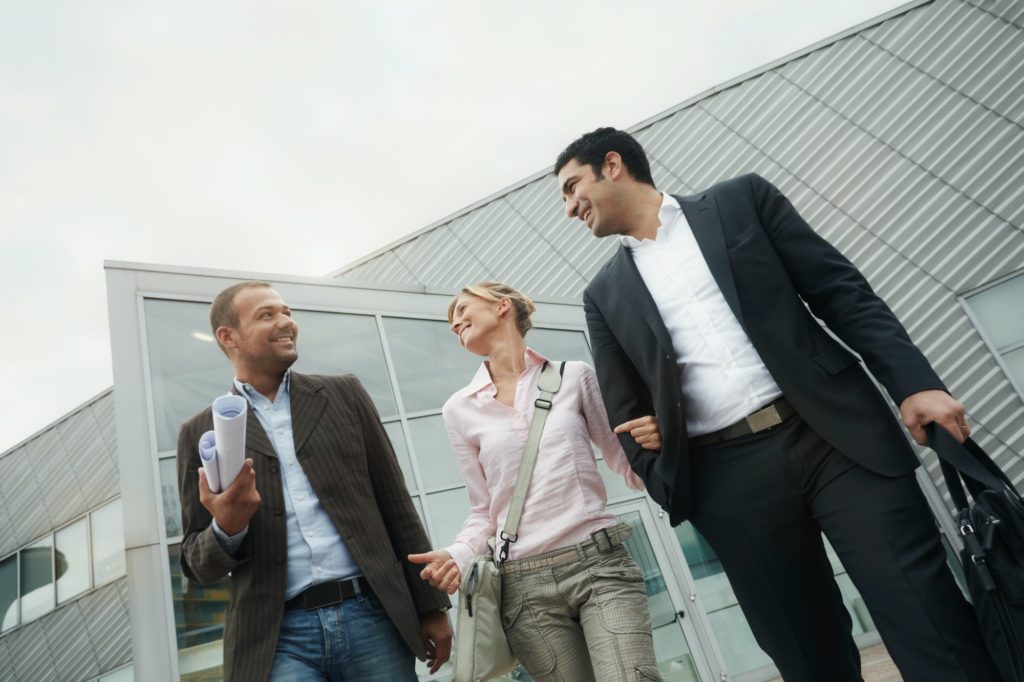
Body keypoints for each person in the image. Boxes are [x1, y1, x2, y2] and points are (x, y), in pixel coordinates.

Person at [553, 127, 1004, 682]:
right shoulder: (603, 295)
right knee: (805, 654)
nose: (570, 207)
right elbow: (624, 406)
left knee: (925, 612)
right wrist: (662, 465)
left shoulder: (741, 201)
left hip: (836, 440)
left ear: (613, 165)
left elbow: (842, 293)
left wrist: (914, 384)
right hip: (728, 479)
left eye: (573, 187)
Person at [176, 280, 451, 682]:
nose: (286, 322)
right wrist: (226, 529)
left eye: (286, 312)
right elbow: (194, 563)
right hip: (278, 639)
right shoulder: (200, 432)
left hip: (371, 617)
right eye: (267, 315)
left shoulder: (345, 394)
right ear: (228, 336)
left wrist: (431, 605)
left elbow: (395, 503)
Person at [407, 282, 663, 681]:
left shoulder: (574, 377)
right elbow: (483, 511)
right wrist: (457, 555)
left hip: (599, 564)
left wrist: (663, 439)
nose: (455, 323)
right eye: (451, 322)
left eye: (462, 309)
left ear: (501, 306)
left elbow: (628, 466)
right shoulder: (458, 410)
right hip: (524, 589)